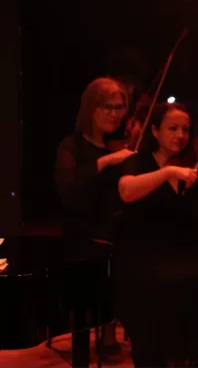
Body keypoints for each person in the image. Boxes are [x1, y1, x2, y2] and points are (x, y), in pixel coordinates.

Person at [115, 102, 198, 366]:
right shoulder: (138, 161)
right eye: (172, 128)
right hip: (146, 248)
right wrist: (166, 172)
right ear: (155, 131)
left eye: (185, 130)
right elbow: (126, 191)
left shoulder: (195, 165)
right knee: (164, 280)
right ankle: (161, 355)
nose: (180, 135)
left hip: (188, 246)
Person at [54, 78, 135, 359]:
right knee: (109, 252)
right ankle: (106, 329)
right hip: (84, 228)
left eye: (119, 107)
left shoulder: (123, 145)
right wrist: (106, 161)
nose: (114, 114)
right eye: (107, 107)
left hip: (117, 226)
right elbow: (69, 192)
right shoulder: (71, 147)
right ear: (91, 109)